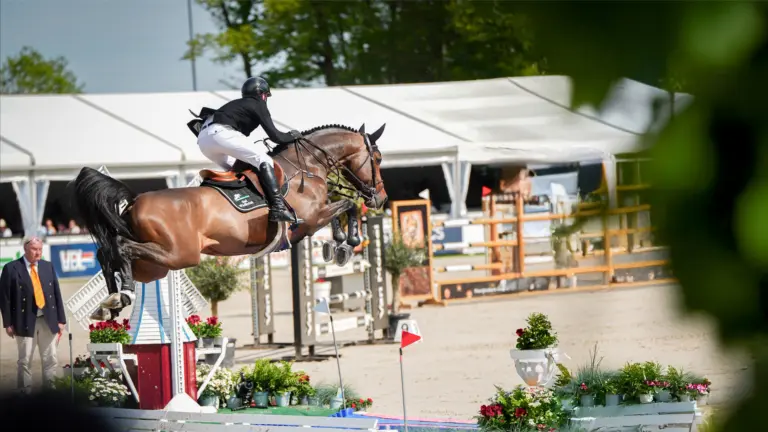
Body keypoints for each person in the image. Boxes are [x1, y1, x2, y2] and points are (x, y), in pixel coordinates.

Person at [196, 76, 301, 223]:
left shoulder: (237, 105)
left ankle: (242, 203)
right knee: (263, 160)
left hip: (204, 140)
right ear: (262, 94)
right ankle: (278, 207)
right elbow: (276, 137)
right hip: (221, 133)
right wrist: (293, 135)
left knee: (237, 170)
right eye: (266, 96)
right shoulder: (257, 103)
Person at [0, 236, 66, 393]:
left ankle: (50, 391)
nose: (38, 253)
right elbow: (4, 298)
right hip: (23, 321)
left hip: (48, 320)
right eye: (34, 249)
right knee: (25, 360)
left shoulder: (47, 266)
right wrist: (8, 323)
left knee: (51, 358)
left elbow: (56, 294)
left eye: (40, 249)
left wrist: (61, 320)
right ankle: (24, 392)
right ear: (25, 248)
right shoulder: (11, 268)